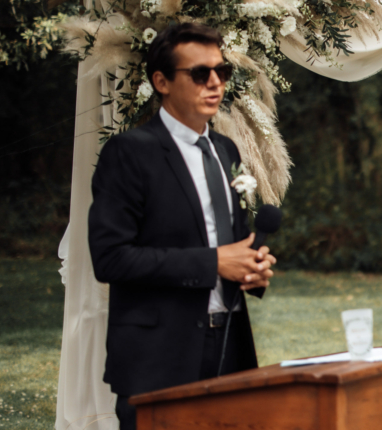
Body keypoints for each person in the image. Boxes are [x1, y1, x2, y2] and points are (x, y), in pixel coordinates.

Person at [86, 22, 277, 430]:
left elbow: (227, 243)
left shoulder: (225, 150)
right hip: (159, 357)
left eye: (222, 71)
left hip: (230, 348)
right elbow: (110, 259)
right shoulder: (129, 153)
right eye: (200, 73)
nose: (215, 82)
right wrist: (214, 263)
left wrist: (250, 268)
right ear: (162, 82)